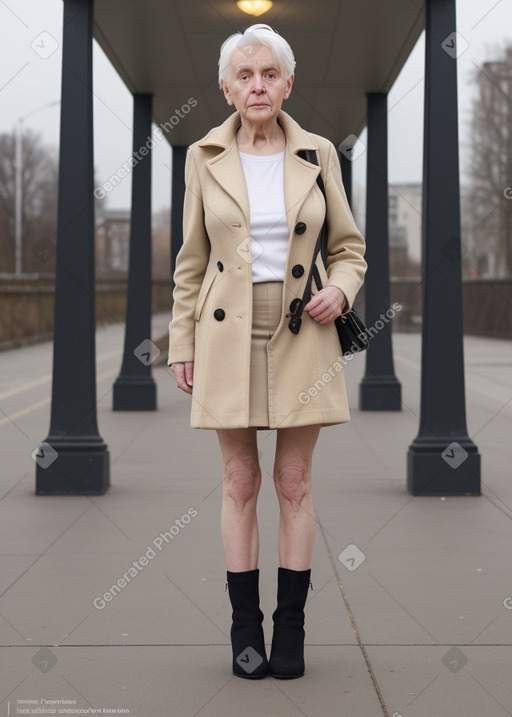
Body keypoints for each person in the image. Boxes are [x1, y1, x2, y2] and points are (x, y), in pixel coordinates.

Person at [168, 23, 367, 679]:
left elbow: (349, 249)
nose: (258, 85)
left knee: (294, 481)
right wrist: (180, 341)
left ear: (288, 83)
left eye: (270, 74)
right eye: (245, 75)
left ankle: (291, 631)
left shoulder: (316, 155)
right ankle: (244, 628)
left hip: (301, 328)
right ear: (226, 86)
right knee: (239, 480)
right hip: (224, 330)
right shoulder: (202, 156)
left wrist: (340, 291)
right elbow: (191, 262)